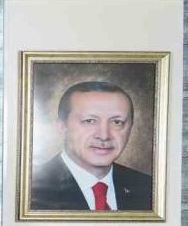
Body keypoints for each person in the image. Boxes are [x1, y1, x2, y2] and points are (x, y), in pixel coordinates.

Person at [30, 81, 152, 211]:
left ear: (130, 128)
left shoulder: (149, 188)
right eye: (90, 121)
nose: (104, 135)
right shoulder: (32, 190)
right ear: (62, 127)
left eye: (117, 122)